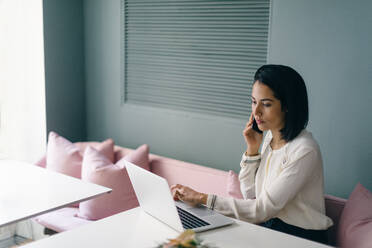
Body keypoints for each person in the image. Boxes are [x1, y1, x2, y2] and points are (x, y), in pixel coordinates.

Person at [171, 64, 333, 244]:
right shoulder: (270, 136)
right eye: (254, 102)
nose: (256, 112)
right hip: (270, 226)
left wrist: (202, 198)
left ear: (287, 106)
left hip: (301, 237)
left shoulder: (305, 150)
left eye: (266, 104)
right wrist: (252, 150)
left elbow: (262, 209)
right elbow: (250, 194)